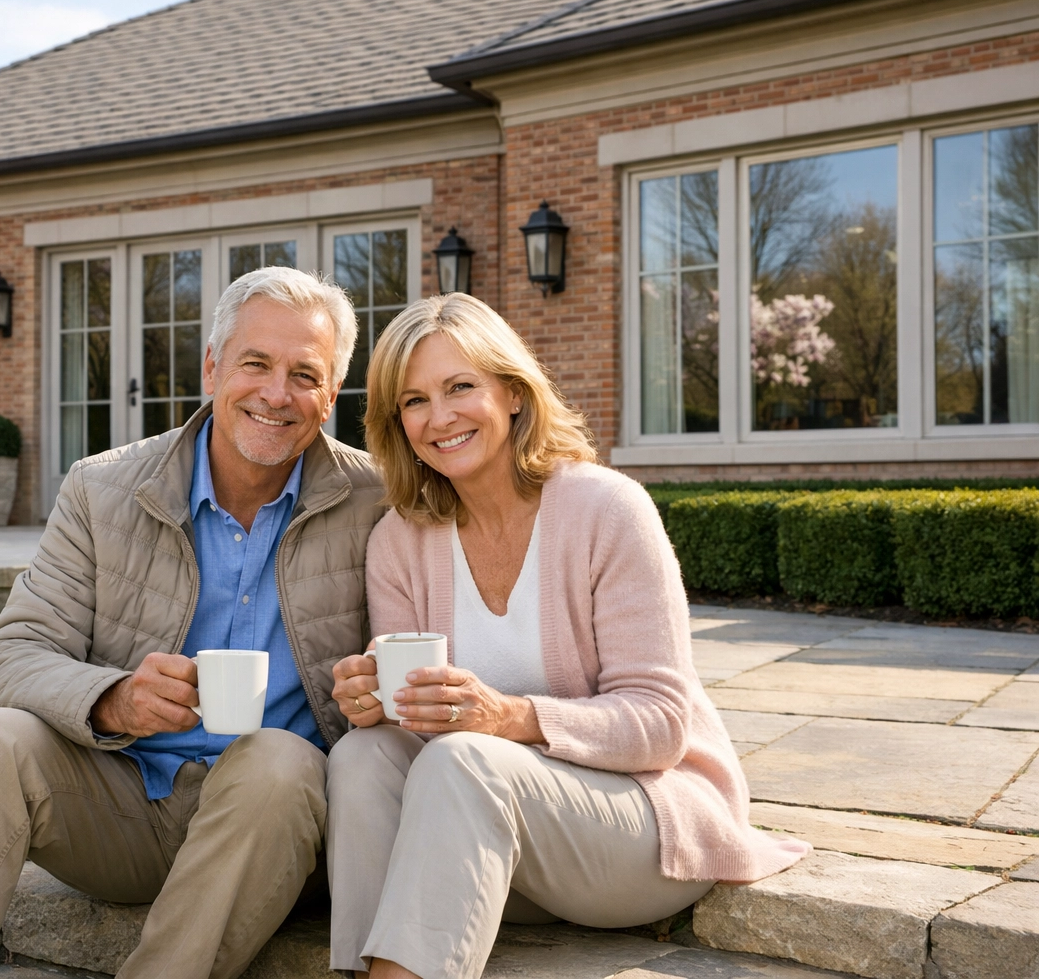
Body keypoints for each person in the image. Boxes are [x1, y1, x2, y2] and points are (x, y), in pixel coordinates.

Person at [0, 267, 387, 979]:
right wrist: (115, 699)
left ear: (330, 397)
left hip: (274, 828)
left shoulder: (376, 502)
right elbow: (5, 658)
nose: (275, 393)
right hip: (124, 804)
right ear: (212, 368)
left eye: (304, 374)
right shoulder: (101, 487)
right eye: (255, 363)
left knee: (280, 762)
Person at [324, 293, 810, 979]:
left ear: (514, 394)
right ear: (397, 423)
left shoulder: (607, 510)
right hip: (502, 846)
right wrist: (378, 700)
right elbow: (419, 726)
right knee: (363, 755)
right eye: (414, 401)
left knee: (465, 759)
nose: (440, 417)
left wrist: (507, 717)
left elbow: (661, 724)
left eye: (461, 387)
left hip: (640, 834)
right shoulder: (399, 542)